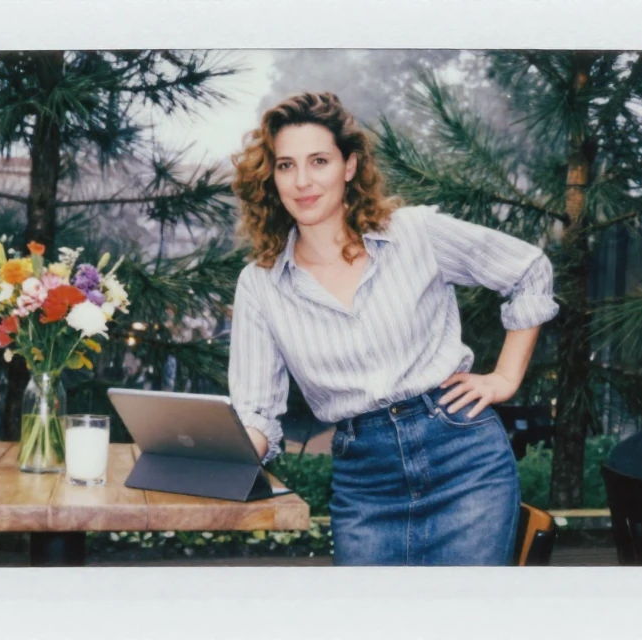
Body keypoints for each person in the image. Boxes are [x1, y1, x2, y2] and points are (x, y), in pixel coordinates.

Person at [227, 92, 559, 566]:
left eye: (318, 161)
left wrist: (505, 377)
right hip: (365, 484)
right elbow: (256, 412)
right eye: (285, 165)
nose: (302, 181)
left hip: (464, 462)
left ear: (349, 166)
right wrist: (218, 458)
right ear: (271, 176)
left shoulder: (414, 233)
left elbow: (529, 269)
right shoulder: (260, 285)